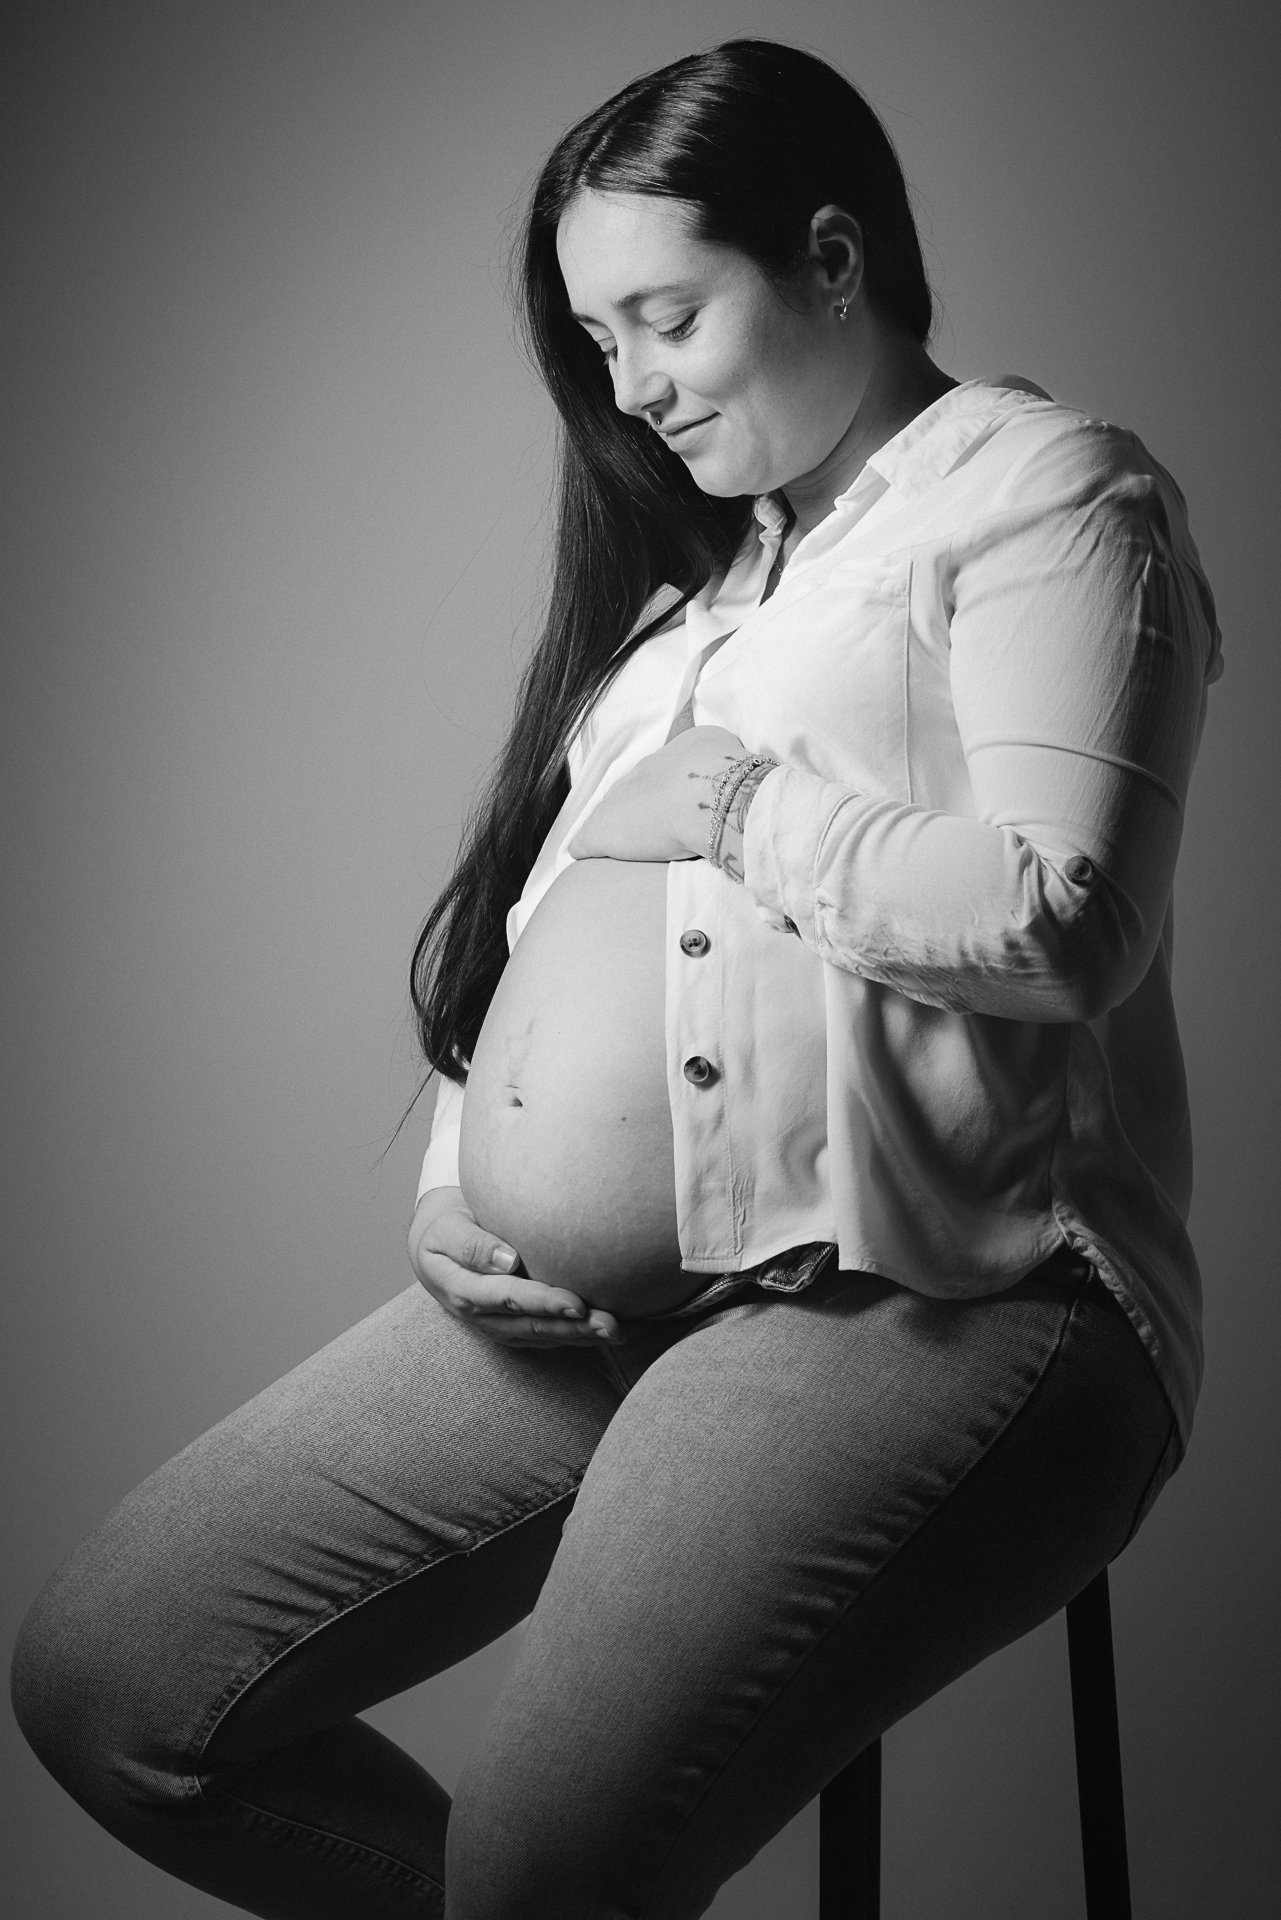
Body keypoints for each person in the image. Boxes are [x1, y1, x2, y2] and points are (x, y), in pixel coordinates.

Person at [12, 37, 1220, 1920]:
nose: (630, 386)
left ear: (831, 258)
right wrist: (462, 1191)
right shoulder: (694, 604)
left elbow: (1066, 919)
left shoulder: (1044, 496)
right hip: (621, 1305)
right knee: (116, 1686)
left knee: (543, 1867)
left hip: (940, 1285)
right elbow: (556, 933)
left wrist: (744, 804)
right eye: (597, 341)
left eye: (664, 315)